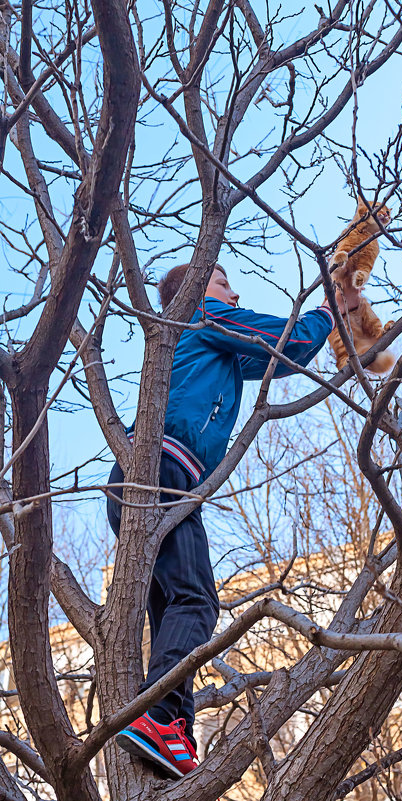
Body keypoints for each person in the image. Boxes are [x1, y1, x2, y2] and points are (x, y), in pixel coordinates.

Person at [108, 263, 361, 779]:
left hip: (145, 478)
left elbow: (277, 359)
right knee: (197, 600)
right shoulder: (203, 314)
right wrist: (329, 309)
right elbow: (279, 338)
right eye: (225, 282)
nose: (234, 291)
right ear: (199, 288)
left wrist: (333, 325)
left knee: (173, 611)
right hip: (163, 468)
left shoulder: (203, 342)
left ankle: (169, 729)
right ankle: (157, 718)